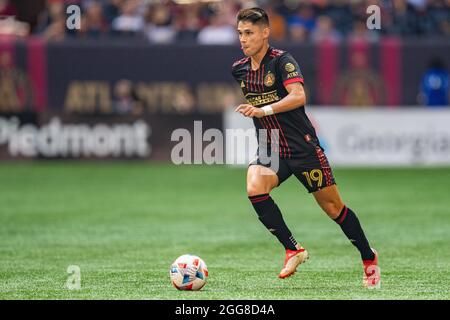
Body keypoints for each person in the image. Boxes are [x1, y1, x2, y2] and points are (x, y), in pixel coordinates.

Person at [231, 7, 380, 288]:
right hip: (272, 148)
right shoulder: (238, 69)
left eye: (249, 33)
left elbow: (298, 96)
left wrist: (264, 110)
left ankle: (368, 257)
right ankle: (293, 249)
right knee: (254, 188)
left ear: (265, 33)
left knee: (334, 208)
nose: (243, 39)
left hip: (303, 148)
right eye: (240, 33)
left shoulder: (282, 61)